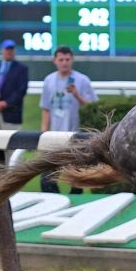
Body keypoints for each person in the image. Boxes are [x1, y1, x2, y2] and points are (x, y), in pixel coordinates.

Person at [39, 46, 98, 193]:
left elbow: (93, 107)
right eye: (61, 60)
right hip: (54, 135)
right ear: (55, 61)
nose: (64, 63)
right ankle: (51, 203)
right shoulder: (49, 80)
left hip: (76, 135)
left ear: (72, 60)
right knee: (47, 176)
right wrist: (43, 132)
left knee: (77, 177)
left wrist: (77, 95)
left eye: (67, 59)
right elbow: (46, 108)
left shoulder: (82, 80)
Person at [0, 39, 29, 130]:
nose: (9, 52)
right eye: (7, 49)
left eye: (12, 49)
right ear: (2, 50)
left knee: (12, 143)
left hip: (12, 115)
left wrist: (6, 103)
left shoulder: (21, 68)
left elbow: (21, 90)